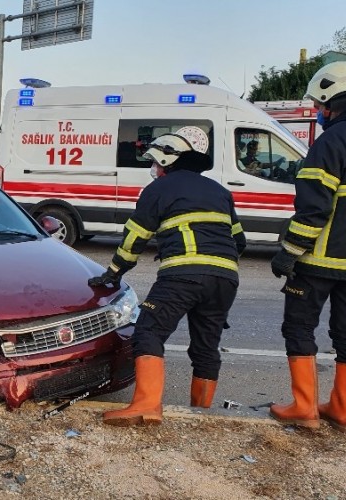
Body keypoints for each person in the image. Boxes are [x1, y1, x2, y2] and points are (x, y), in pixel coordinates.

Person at [89, 127, 246, 426]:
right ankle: (201, 413)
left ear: (167, 161)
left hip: (182, 275)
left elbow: (135, 237)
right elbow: (239, 242)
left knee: (149, 330)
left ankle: (147, 406)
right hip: (226, 279)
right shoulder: (220, 192)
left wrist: (113, 272)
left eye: (156, 163)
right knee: (205, 347)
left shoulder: (158, 190)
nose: (154, 169)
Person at [269, 61, 346, 432]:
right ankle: (341, 410)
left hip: (319, 260)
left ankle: (305, 408)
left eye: (322, 107)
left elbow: (313, 207)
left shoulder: (334, 140)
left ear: (333, 101)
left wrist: (289, 252)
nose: (321, 114)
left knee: (299, 327)